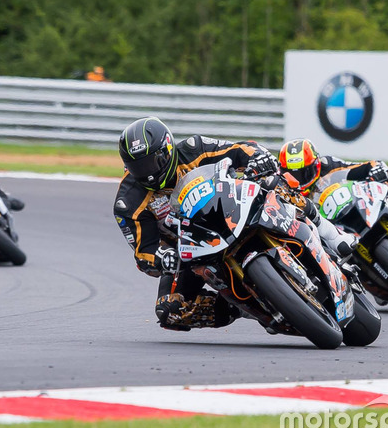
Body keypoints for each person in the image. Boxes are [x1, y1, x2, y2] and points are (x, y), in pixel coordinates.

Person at [114, 117, 356, 332]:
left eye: (151, 163)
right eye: (137, 167)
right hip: (190, 250)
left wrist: (258, 159)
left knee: (275, 184)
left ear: (167, 151)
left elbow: (240, 149)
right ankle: (247, 308)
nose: (147, 173)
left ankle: (332, 236)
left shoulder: (194, 149)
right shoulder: (128, 202)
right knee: (169, 312)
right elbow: (143, 250)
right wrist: (161, 258)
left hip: (230, 208)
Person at [277, 138, 388, 241]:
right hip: (333, 229)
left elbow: (362, 167)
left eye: (304, 172)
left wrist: (376, 170)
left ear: (316, 163)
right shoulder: (286, 191)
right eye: (294, 174)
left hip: (354, 206)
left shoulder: (328, 165)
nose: (300, 179)